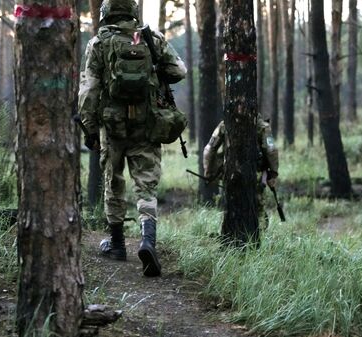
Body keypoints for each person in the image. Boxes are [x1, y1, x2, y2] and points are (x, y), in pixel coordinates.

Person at [78, 0, 187, 277]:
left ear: (106, 13)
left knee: (113, 181)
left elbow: (89, 90)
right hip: (146, 124)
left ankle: (116, 244)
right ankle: (147, 241)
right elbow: (179, 71)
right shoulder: (151, 38)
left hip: (112, 127)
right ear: (132, 11)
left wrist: (89, 129)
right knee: (145, 185)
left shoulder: (98, 43)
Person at [202, 118, 279, 227]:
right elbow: (271, 150)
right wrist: (273, 173)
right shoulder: (262, 126)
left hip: (230, 173)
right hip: (255, 175)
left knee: (230, 205)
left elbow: (209, 149)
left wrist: (209, 172)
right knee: (258, 208)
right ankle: (258, 236)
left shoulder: (225, 124)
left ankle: (229, 235)